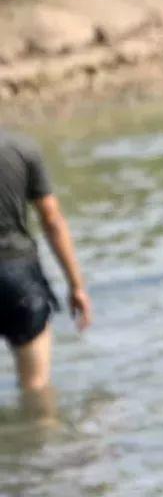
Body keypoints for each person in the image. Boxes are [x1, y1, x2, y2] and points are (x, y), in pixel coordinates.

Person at [0, 129, 92, 392]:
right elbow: (52, 220)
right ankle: (41, 431)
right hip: (20, 278)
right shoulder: (23, 148)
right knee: (36, 387)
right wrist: (77, 286)